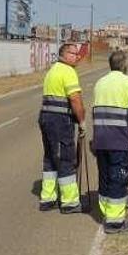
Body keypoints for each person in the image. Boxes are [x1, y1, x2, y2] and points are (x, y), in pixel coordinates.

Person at [92, 50, 128, 234]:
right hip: (118, 139)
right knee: (119, 177)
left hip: (101, 138)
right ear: (124, 65)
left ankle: (107, 213)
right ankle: (115, 222)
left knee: (105, 176)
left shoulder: (100, 82)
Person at [38, 43, 87, 214]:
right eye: (73, 53)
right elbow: (75, 99)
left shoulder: (53, 70)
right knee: (66, 158)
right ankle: (69, 202)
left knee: (51, 158)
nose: (77, 57)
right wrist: (81, 121)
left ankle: (48, 197)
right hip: (59, 120)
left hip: (46, 118)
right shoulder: (68, 72)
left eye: (77, 54)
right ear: (64, 54)